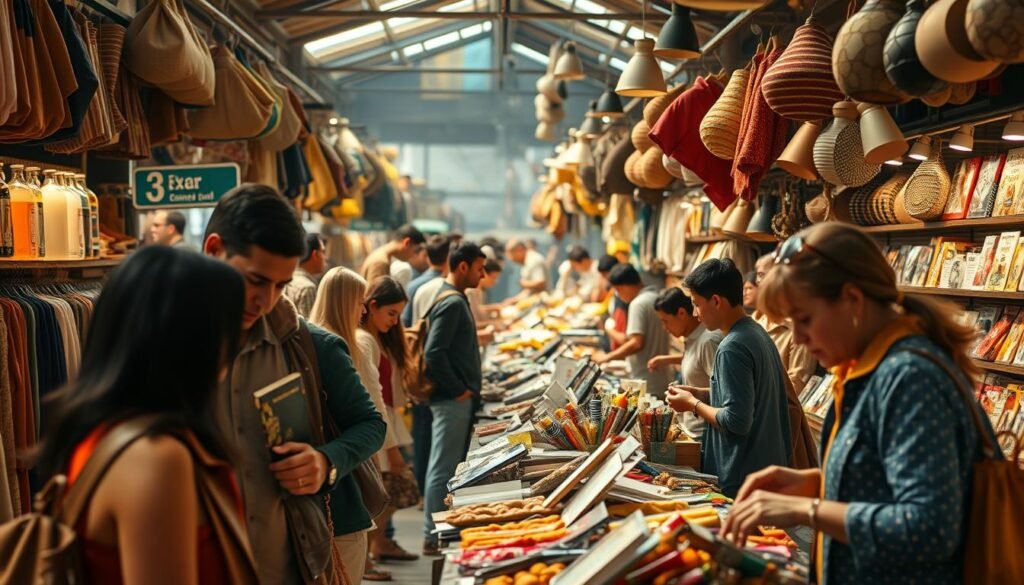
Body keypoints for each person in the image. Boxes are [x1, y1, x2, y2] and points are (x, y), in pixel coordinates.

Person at [723, 223, 997, 585]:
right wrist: (818, 483)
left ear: (852, 299)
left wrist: (808, 509)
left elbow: (930, 527)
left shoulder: (908, 378)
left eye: (804, 320)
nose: (800, 338)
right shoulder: (871, 369)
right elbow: (885, 480)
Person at [36, 246, 258, 585]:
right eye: (228, 329)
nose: (235, 343)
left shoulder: (103, 435)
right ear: (195, 341)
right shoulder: (156, 457)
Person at [203, 184, 386, 585]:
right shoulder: (164, 348)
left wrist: (325, 461)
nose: (265, 301)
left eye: (281, 286)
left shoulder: (308, 346)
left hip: (293, 564)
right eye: (255, 280)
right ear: (213, 250)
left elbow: (371, 424)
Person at [309, 271, 412, 582]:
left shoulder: (322, 341)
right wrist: (390, 449)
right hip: (349, 462)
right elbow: (373, 407)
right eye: (358, 303)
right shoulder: (344, 344)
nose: (363, 310)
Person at [667, 258, 791, 497]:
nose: (695, 313)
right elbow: (748, 397)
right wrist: (701, 393)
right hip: (761, 470)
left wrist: (692, 404)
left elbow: (736, 421)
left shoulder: (732, 347)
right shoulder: (755, 332)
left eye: (696, 304)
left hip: (742, 476)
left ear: (716, 301)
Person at [421, 241, 486, 556]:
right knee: (443, 467)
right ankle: (434, 535)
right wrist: (459, 389)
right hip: (451, 399)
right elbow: (433, 353)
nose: (483, 275)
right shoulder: (452, 303)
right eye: (479, 268)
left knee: (446, 465)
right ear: (463, 266)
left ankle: (437, 532)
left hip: (455, 398)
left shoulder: (455, 299)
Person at [361, 277, 421, 568]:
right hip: (380, 426)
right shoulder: (365, 341)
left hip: (388, 421)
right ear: (372, 306)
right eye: (391, 313)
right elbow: (374, 395)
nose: (395, 321)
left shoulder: (378, 339)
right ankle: (373, 552)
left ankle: (380, 546)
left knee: (387, 489)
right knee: (381, 491)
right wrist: (391, 447)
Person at [648, 287, 723, 439]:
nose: (665, 328)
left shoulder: (707, 341)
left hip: (704, 436)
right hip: (691, 430)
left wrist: (689, 397)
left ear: (682, 313)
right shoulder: (692, 337)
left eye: (666, 321)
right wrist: (667, 359)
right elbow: (696, 361)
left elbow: (723, 391)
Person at [592, 264, 672, 398]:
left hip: (646, 379)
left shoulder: (638, 304)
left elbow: (636, 343)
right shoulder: (654, 296)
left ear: (624, 286)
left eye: (617, 290)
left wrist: (606, 358)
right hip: (660, 377)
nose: (618, 294)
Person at [752, 254, 819, 395]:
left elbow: (796, 386)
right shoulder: (756, 320)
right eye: (757, 275)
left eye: (762, 275)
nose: (757, 281)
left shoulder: (797, 328)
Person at [403, 235, 451, 328]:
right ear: (448, 257)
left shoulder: (412, 286)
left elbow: (406, 321)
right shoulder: (450, 286)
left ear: (427, 257)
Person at [361, 224, 426, 283]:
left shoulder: (381, 256)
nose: (413, 255)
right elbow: (375, 294)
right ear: (407, 243)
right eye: (415, 251)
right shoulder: (381, 262)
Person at [282, 233, 326, 319]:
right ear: (315, 255)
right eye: (323, 252)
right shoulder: (307, 288)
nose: (325, 257)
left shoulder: (287, 279)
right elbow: (309, 328)